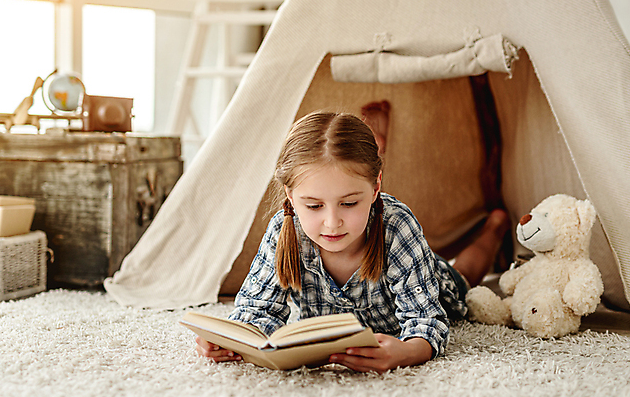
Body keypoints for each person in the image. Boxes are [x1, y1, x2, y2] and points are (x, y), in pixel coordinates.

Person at [195, 111, 509, 373]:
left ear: (375, 189)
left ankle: (494, 227)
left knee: (467, 273)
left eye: (349, 203)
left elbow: (426, 320)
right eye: (314, 206)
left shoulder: (397, 225)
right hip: (395, 263)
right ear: (290, 196)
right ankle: (376, 139)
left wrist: (408, 352)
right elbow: (256, 311)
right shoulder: (284, 229)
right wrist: (228, 339)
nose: (332, 223)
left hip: (433, 278)